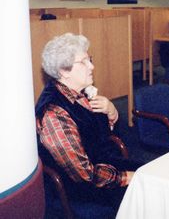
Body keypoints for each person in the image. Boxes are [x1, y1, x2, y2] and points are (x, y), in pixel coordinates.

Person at [35, 33, 135, 215]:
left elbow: (101, 137)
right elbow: (84, 175)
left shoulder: (75, 93)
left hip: (101, 164)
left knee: (153, 172)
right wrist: (126, 178)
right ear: (64, 71)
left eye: (90, 59)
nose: (92, 66)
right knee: (148, 190)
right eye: (84, 62)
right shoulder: (53, 113)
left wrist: (112, 113)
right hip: (79, 188)